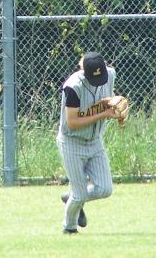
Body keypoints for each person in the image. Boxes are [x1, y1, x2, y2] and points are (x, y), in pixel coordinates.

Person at [56, 51, 119, 234]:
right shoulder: (73, 87)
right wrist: (104, 114)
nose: (98, 81)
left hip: (95, 141)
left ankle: (71, 197)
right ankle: (69, 228)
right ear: (84, 71)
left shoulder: (110, 74)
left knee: (105, 189)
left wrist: (116, 105)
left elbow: (109, 97)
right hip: (71, 142)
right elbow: (73, 123)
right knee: (80, 193)